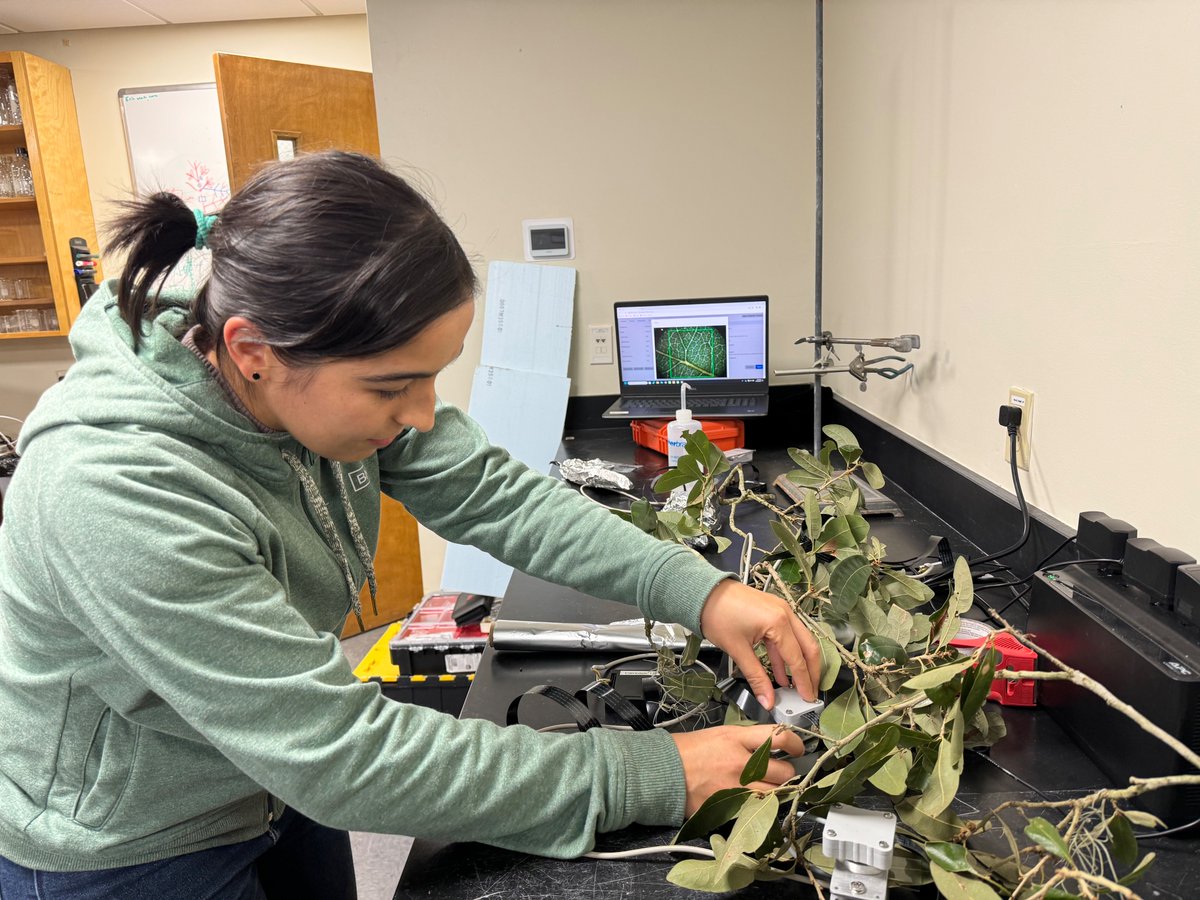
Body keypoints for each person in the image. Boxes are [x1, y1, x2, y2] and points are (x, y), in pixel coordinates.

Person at [0, 150, 820, 899]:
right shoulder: (111, 490)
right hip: (133, 843)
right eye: (393, 387)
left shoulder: (286, 371)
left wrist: (699, 590)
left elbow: (495, 494)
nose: (422, 414)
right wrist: (651, 773)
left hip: (271, 779)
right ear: (252, 350)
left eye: (431, 377)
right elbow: (339, 755)